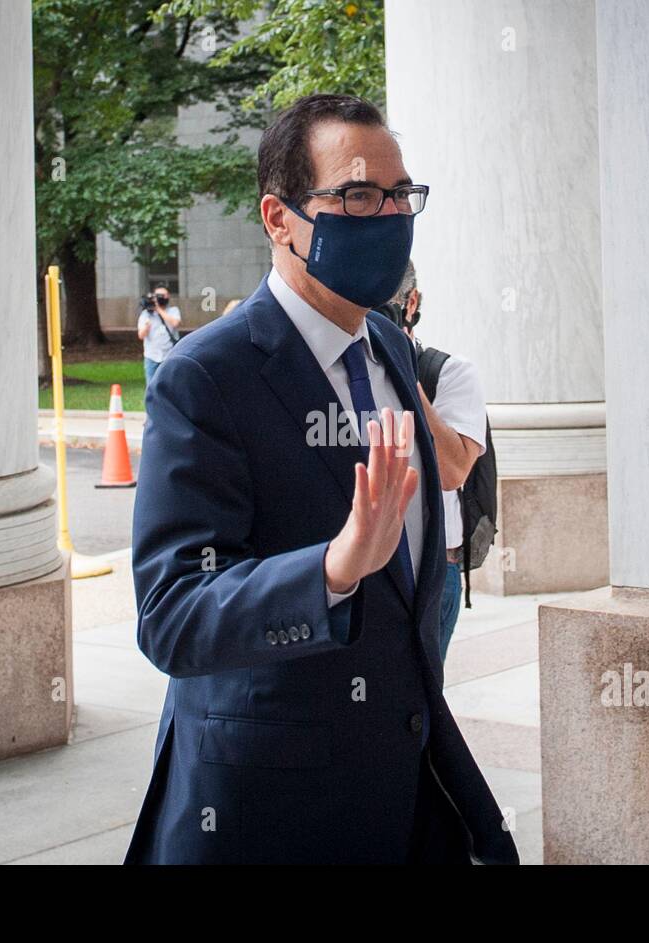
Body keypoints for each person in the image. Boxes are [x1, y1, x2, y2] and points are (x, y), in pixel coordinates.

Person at [122, 93, 518, 865]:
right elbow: (171, 617)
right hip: (268, 810)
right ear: (280, 219)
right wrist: (333, 570)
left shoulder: (389, 346)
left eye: (401, 196)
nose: (388, 216)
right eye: (359, 195)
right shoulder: (206, 378)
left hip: (408, 784)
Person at [378, 264, 486, 663]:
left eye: (383, 307)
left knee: (416, 704)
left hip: (432, 572)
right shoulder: (339, 370)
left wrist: (401, 372)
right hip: (361, 568)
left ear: (412, 303)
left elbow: (452, 470)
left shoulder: (449, 373)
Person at [137, 285, 181, 382]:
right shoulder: (146, 314)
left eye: (163, 295)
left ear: (168, 296)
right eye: (157, 295)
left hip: (169, 355)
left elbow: (175, 323)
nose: (160, 298)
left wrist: (159, 310)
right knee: (151, 386)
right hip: (151, 356)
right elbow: (141, 335)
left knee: (170, 384)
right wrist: (146, 328)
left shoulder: (173, 310)